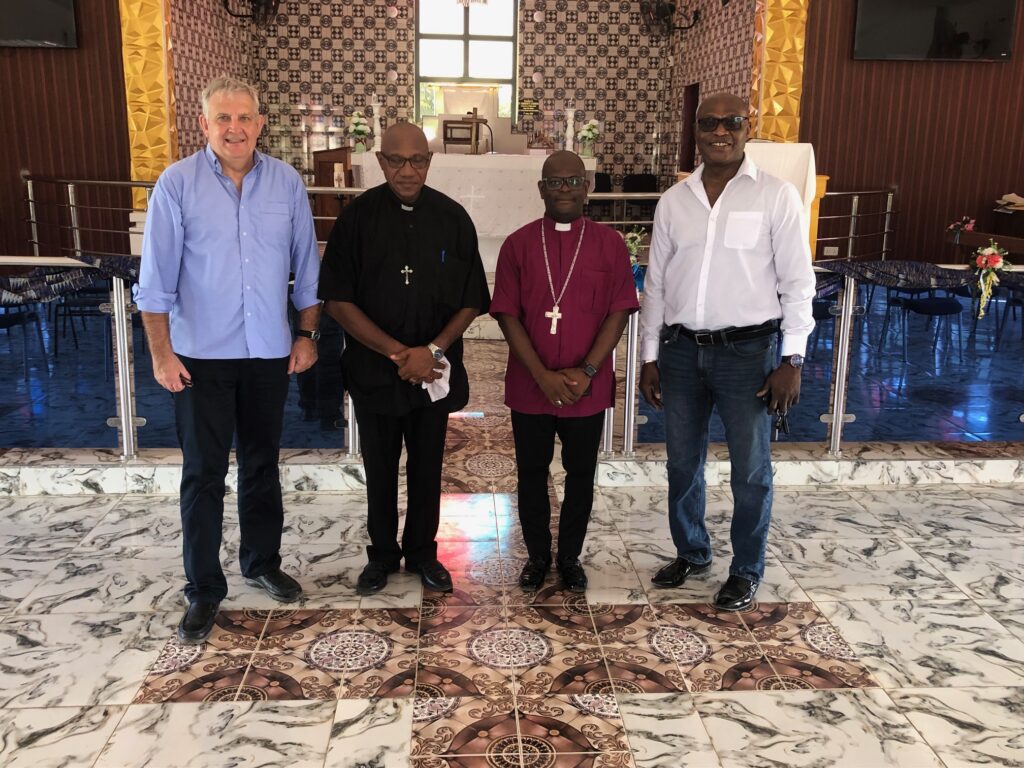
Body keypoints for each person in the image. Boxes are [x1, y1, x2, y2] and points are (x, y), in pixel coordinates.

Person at [136, 77, 321, 643]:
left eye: (244, 117)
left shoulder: (286, 183)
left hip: (267, 352)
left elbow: (307, 268)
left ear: (260, 124)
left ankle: (262, 562)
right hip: (200, 357)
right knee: (203, 472)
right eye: (223, 118)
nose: (234, 128)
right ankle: (203, 588)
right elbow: (154, 282)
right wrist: (162, 354)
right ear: (205, 124)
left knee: (262, 464)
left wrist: (306, 334)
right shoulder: (177, 184)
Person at [639, 93, 815, 612]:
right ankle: (692, 552)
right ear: (695, 130)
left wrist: (792, 359)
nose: (721, 131)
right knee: (681, 464)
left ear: (747, 126)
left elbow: (797, 283)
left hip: (748, 353)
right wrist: (649, 356)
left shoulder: (776, 196)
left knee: (751, 470)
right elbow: (657, 285)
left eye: (731, 122)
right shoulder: (674, 201)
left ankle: (746, 569)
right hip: (680, 352)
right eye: (710, 123)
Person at [318, 123, 489, 595]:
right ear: (381, 160)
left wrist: (431, 351)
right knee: (380, 467)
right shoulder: (356, 219)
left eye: (418, 159)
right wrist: (397, 353)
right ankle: (381, 555)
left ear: (430, 161)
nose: (407, 170)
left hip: (433, 370)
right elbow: (337, 300)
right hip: (376, 370)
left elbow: (472, 298)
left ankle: (422, 553)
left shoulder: (452, 218)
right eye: (396, 160)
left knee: (427, 466)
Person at [491, 151, 638, 593]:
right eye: (555, 182)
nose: (565, 190)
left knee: (580, 475)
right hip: (530, 384)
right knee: (531, 473)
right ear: (541, 189)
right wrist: (541, 374)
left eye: (573, 181)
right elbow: (506, 314)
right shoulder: (517, 244)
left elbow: (619, 311)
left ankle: (570, 556)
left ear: (587, 186)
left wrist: (589, 369)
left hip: (586, 386)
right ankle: (537, 556)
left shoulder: (610, 244)